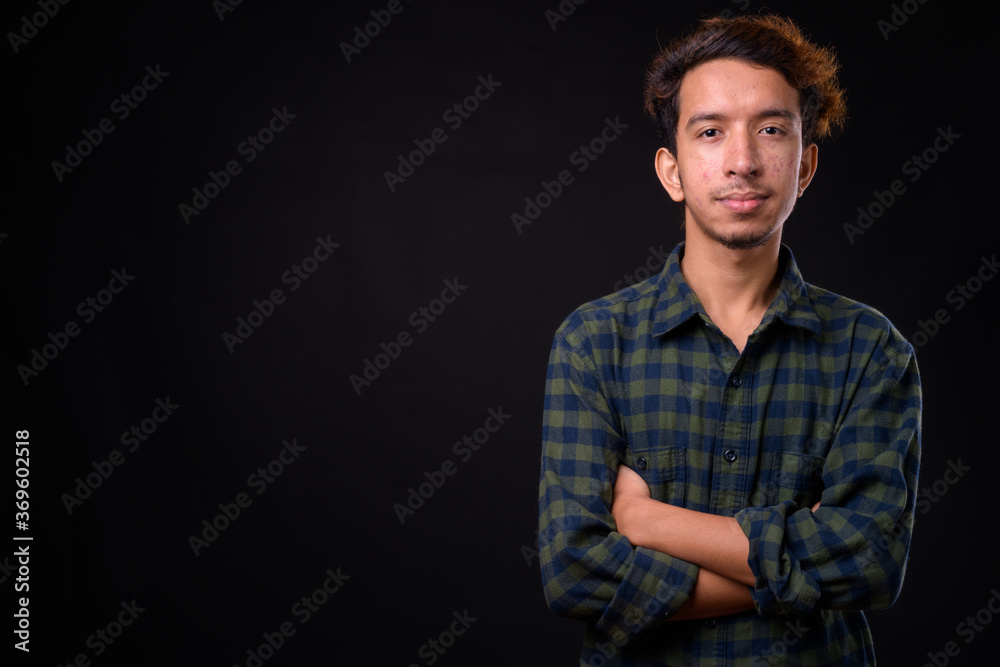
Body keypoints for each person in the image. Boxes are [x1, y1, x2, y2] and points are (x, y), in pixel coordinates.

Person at [537, 14, 921, 665]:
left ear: (804, 165)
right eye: (710, 132)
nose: (742, 161)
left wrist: (650, 523)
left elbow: (870, 562)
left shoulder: (872, 350)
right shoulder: (594, 343)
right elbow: (573, 571)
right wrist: (801, 566)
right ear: (672, 170)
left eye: (771, 129)